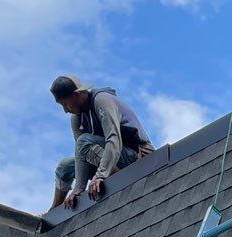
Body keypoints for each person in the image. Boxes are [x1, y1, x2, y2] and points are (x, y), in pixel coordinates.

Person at [49, 75, 154, 209]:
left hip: (136, 156)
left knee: (83, 141)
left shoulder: (102, 100)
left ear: (76, 95)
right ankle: (51, 214)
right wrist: (78, 189)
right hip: (109, 160)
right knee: (65, 166)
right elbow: (81, 155)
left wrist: (101, 175)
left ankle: (118, 179)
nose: (65, 110)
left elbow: (113, 138)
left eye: (65, 104)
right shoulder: (76, 118)